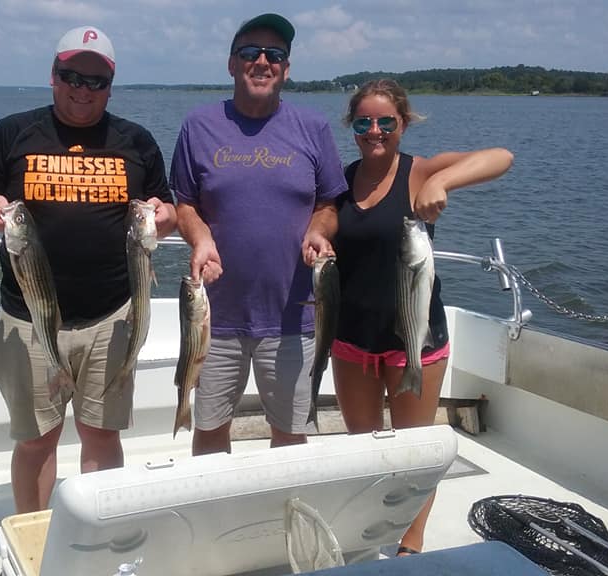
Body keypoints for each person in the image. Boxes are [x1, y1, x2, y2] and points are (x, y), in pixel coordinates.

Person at [0, 26, 177, 514]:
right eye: (71, 75)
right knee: (38, 440)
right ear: (53, 76)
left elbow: (166, 210)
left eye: (95, 80)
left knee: (101, 436)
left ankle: (99, 539)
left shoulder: (136, 141)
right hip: (29, 316)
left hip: (113, 315)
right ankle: (37, 539)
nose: (82, 88)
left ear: (111, 85)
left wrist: (163, 218)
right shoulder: (13, 132)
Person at [331, 78, 514, 555]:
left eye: (386, 122)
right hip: (352, 341)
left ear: (403, 124)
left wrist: (440, 180)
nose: (375, 131)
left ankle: (411, 545)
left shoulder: (420, 171)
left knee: (415, 456)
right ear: (352, 126)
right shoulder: (340, 178)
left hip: (416, 341)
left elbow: (501, 157)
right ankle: (368, 539)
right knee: (364, 453)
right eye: (364, 122)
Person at [170, 13, 347, 456]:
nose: (262, 61)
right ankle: (215, 521)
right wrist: (200, 239)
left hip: (293, 318)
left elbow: (329, 204)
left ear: (286, 69)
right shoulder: (198, 126)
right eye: (250, 53)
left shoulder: (313, 128)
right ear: (232, 64)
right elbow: (184, 204)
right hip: (214, 316)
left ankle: (286, 520)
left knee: (289, 436)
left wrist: (318, 232)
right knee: (209, 432)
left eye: (275, 54)